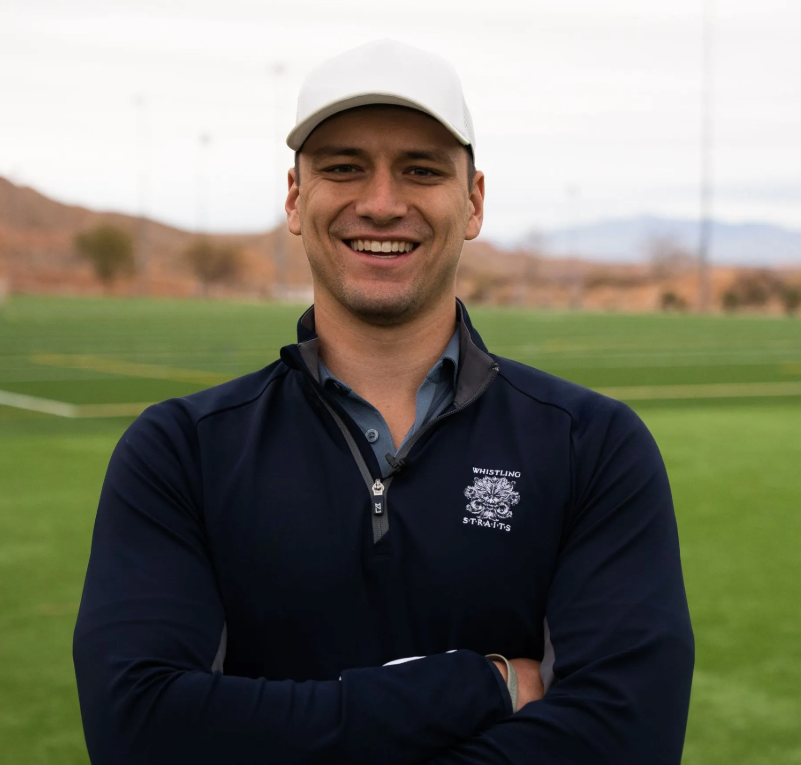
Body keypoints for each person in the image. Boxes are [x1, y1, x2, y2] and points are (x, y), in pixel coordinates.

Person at [73, 40, 694, 765]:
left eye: (421, 170)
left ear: (473, 201)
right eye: (342, 167)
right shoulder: (180, 450)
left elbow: (626, 738)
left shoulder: (591, 444)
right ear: (295, 199)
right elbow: (140, 729)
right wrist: (478, 684)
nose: (380, 202)